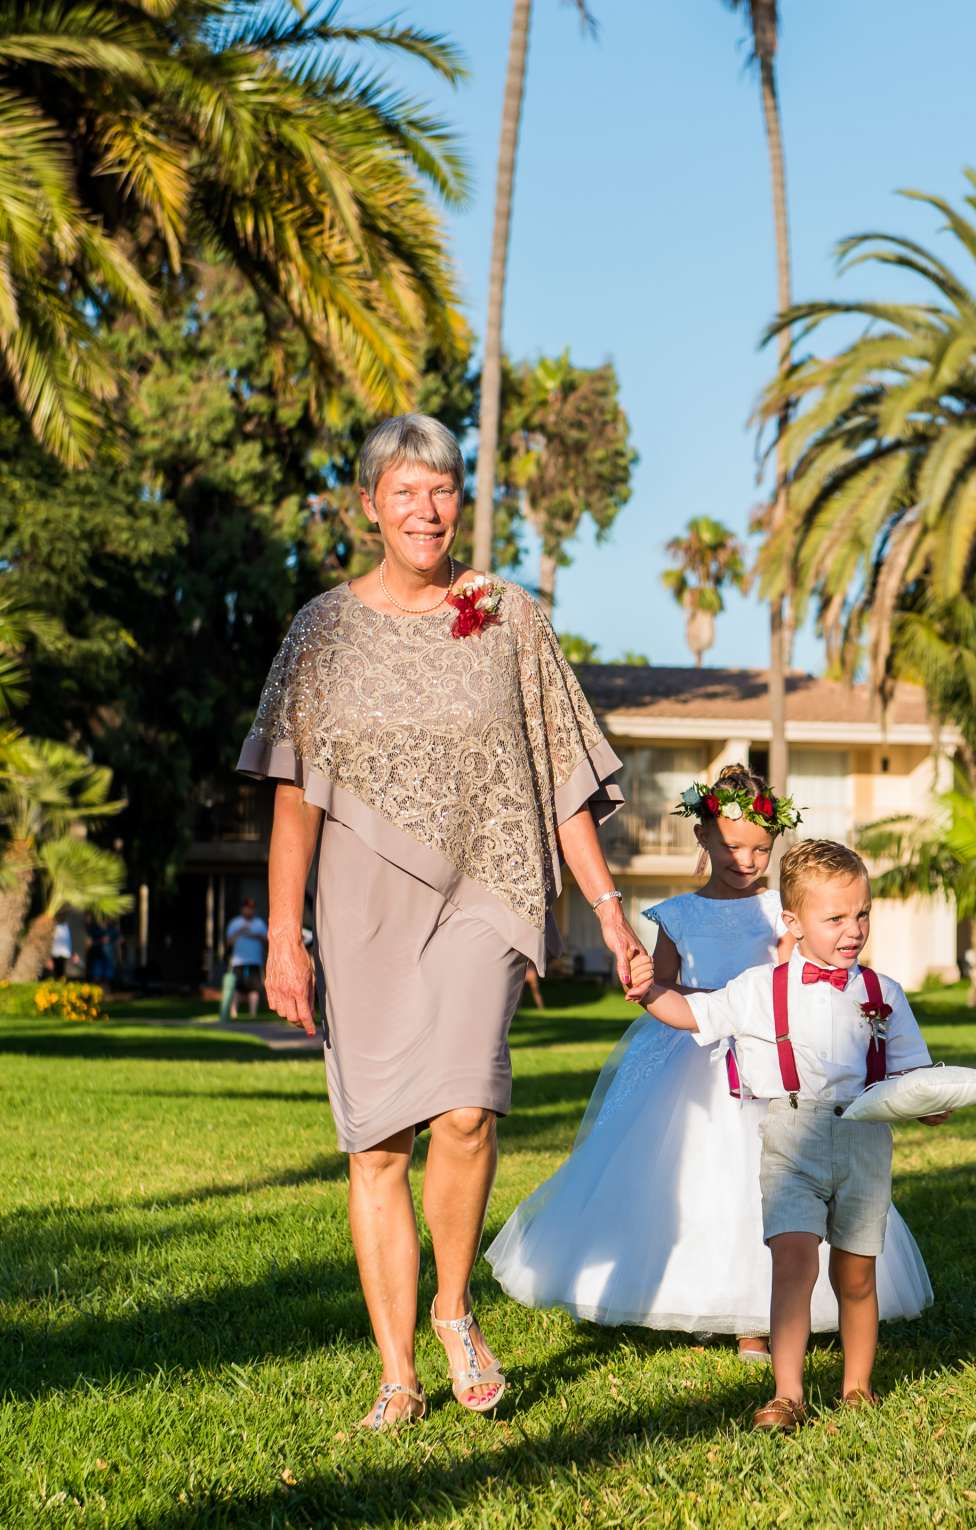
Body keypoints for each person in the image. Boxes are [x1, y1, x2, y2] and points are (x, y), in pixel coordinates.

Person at [239, 412, 642, 1431]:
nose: (427, 509)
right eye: (405, 491)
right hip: (361, 903)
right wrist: (284, 937)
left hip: (486, 892)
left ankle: (455, 1312)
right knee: (377, 1145)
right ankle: (396, 1371)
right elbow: (294, 794)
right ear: (368, 506)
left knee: (466, 1107)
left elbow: (558, 775)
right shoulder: (321, 629)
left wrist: (609, 911)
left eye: (443, 489)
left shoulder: (507, 615)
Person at [487, 770, 930, 1364]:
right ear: (703, 835)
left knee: (763, 1180)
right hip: (693, 1053)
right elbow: (667, 982)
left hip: (766, 1055)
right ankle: (698, 1295)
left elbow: (789, 982)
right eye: (730, 846)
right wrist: (655, 987)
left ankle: (757, 1318)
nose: (744, 860)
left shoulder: (787, 910)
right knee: (695, 1179)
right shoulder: (679, 913)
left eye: (758, 850)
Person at [627, 839, 948, 1431]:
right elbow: (694, 1014)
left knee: (856, 1274)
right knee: (793, 1267)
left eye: (862, 914)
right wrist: (648, 991)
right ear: (793, 922)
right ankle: (789, 1392)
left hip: (864, 1139)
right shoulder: (759, 989)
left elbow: (911, 1072)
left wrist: (931, 1103)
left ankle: (857, 1388)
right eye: (836, 918)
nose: (853, 930)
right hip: (790, 1136)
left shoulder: (885, 995)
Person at [221, 899, 268, 1021]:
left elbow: (266, 941)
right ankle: (233, 1013)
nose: (249, 910)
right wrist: (241, 931)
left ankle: (253, 1015)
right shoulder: (235, 923)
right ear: (242, 909)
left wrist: (253, 935)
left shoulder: (259, 924)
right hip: (238, 962)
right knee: (236, 988)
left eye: (251, 908)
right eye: (247, 908)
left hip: (255, 961)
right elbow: (229, 942)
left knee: (254, 988)